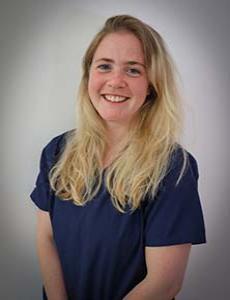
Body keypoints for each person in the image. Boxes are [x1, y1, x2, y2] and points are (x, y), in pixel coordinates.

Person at [30, 15, 206, 300]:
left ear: (152, 84)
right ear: (89, 76)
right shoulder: (57, 152)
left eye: (133, 70)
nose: (115, 81)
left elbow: (165, 283)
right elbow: (46, 238)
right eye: (104, 66)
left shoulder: (172, 168)